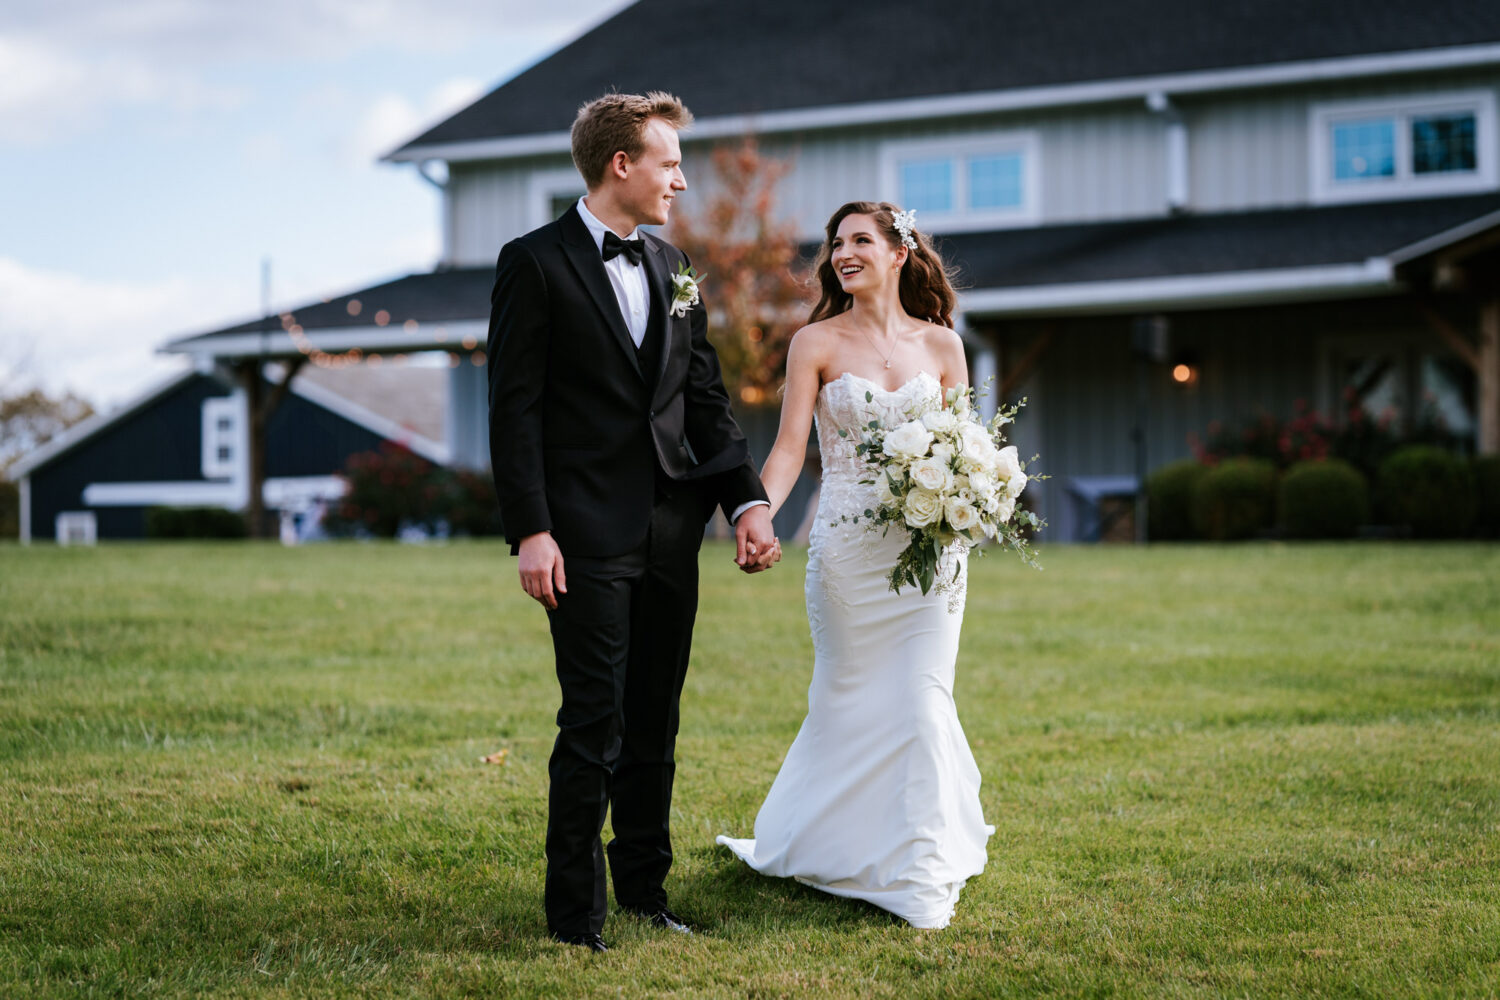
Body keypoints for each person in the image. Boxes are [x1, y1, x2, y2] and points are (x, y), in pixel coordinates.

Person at [487, 91, 780, 953]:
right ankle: (574, 918)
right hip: (578, 536)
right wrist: (530, 529)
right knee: (594, 721)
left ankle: (647, 893)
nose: (682, 182)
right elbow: (515, 410)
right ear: (623, 164)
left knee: (655, 718)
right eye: (670, 163)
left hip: (669, 532)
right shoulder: (532, 263)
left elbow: (703, 401)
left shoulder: (673, 263)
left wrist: (747, 503)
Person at [716, 201, 993, 929]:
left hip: (932, 557)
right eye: (837, 243)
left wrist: (977, 496)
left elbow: (964, 451)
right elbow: (787, 452)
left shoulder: (943, 346)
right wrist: (757, 512)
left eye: (861, 240)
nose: (843, 252)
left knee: (923, 700)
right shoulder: (813, 342)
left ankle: (923, 865)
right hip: (847, 551)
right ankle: (831, 843)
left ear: (900, 252)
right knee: (849, 697)